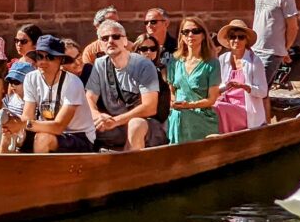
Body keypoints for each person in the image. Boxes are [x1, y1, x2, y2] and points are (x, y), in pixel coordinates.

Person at [86, 19, 166, 151]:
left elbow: (149, 107)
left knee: (135, 125)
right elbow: (89, 97)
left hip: (145, 125)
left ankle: (131, 169)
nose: (110, 41)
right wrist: (97, 116)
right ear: (100, 44)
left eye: (116, 36)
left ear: (125, 41)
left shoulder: (144, 65)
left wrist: (115, 121)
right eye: (105, 38)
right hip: (111, 125)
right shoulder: (99, 64)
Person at [18, 35, 97, 154]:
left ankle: (38, 173)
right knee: (8, 135)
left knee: (43, 139)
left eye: (49, 57)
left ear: (60, 60)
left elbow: (59, 127)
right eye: (39, 56)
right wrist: (13, 125)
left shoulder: (73, 82)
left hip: (78, 136)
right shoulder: (31, 78)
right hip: (45, 130)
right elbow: (27, 116)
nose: (43, 61)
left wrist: (23, 124)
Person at [165, 17, 222, 145]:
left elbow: (212, 99)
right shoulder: (174, 62)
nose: (190, 35)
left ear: (203, 35)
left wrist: (189, 105)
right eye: (186, 32)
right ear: (182, 37)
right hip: (177, 112)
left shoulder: (212, 63)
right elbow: (171, 92)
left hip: (201, 113)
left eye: (195, 31)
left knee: (182, 116)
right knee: (176, 116)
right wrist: (174, 102)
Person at [250, 0, 300, 89]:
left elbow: (293, 27)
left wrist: (285, 49)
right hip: (255, 48)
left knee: (259, 89)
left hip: (272, 52)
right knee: (257, 89)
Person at [215, 18, 269, 130]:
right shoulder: (222, 59)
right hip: (226, 103)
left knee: (218, 107)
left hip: (246, 109)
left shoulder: (255, 61)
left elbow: (263, 92)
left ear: (246, 40)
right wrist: (226, 87)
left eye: (241, 37)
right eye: (233, 37)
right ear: (228, 40)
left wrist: (245, 87)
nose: (236, 40)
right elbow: (217, 87)